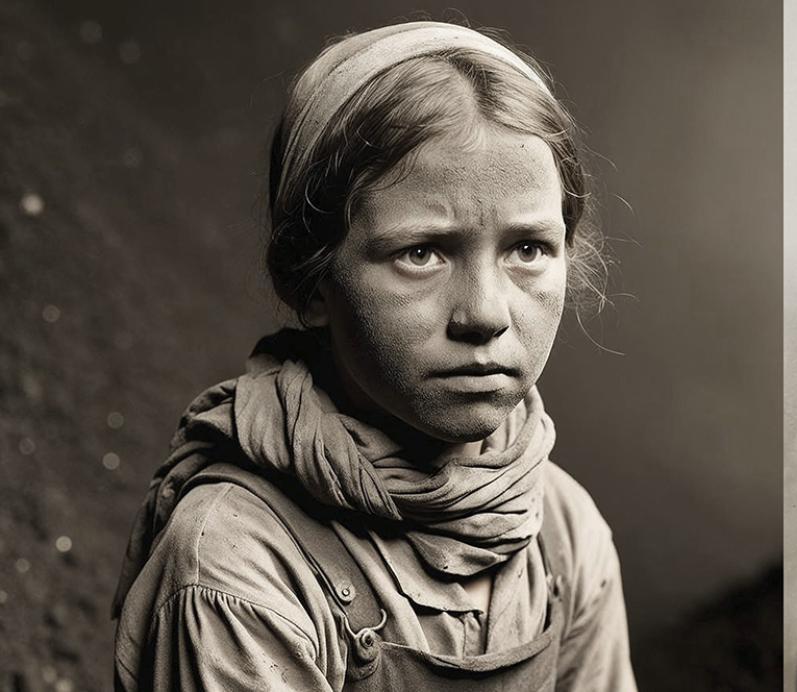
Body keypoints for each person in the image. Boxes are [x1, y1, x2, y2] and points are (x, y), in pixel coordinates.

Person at [111, 22, 636, 690]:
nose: (486, 314)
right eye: (422, 252)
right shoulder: (236, 567)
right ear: (310, 282)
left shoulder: (563, 533)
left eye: (528, 249)